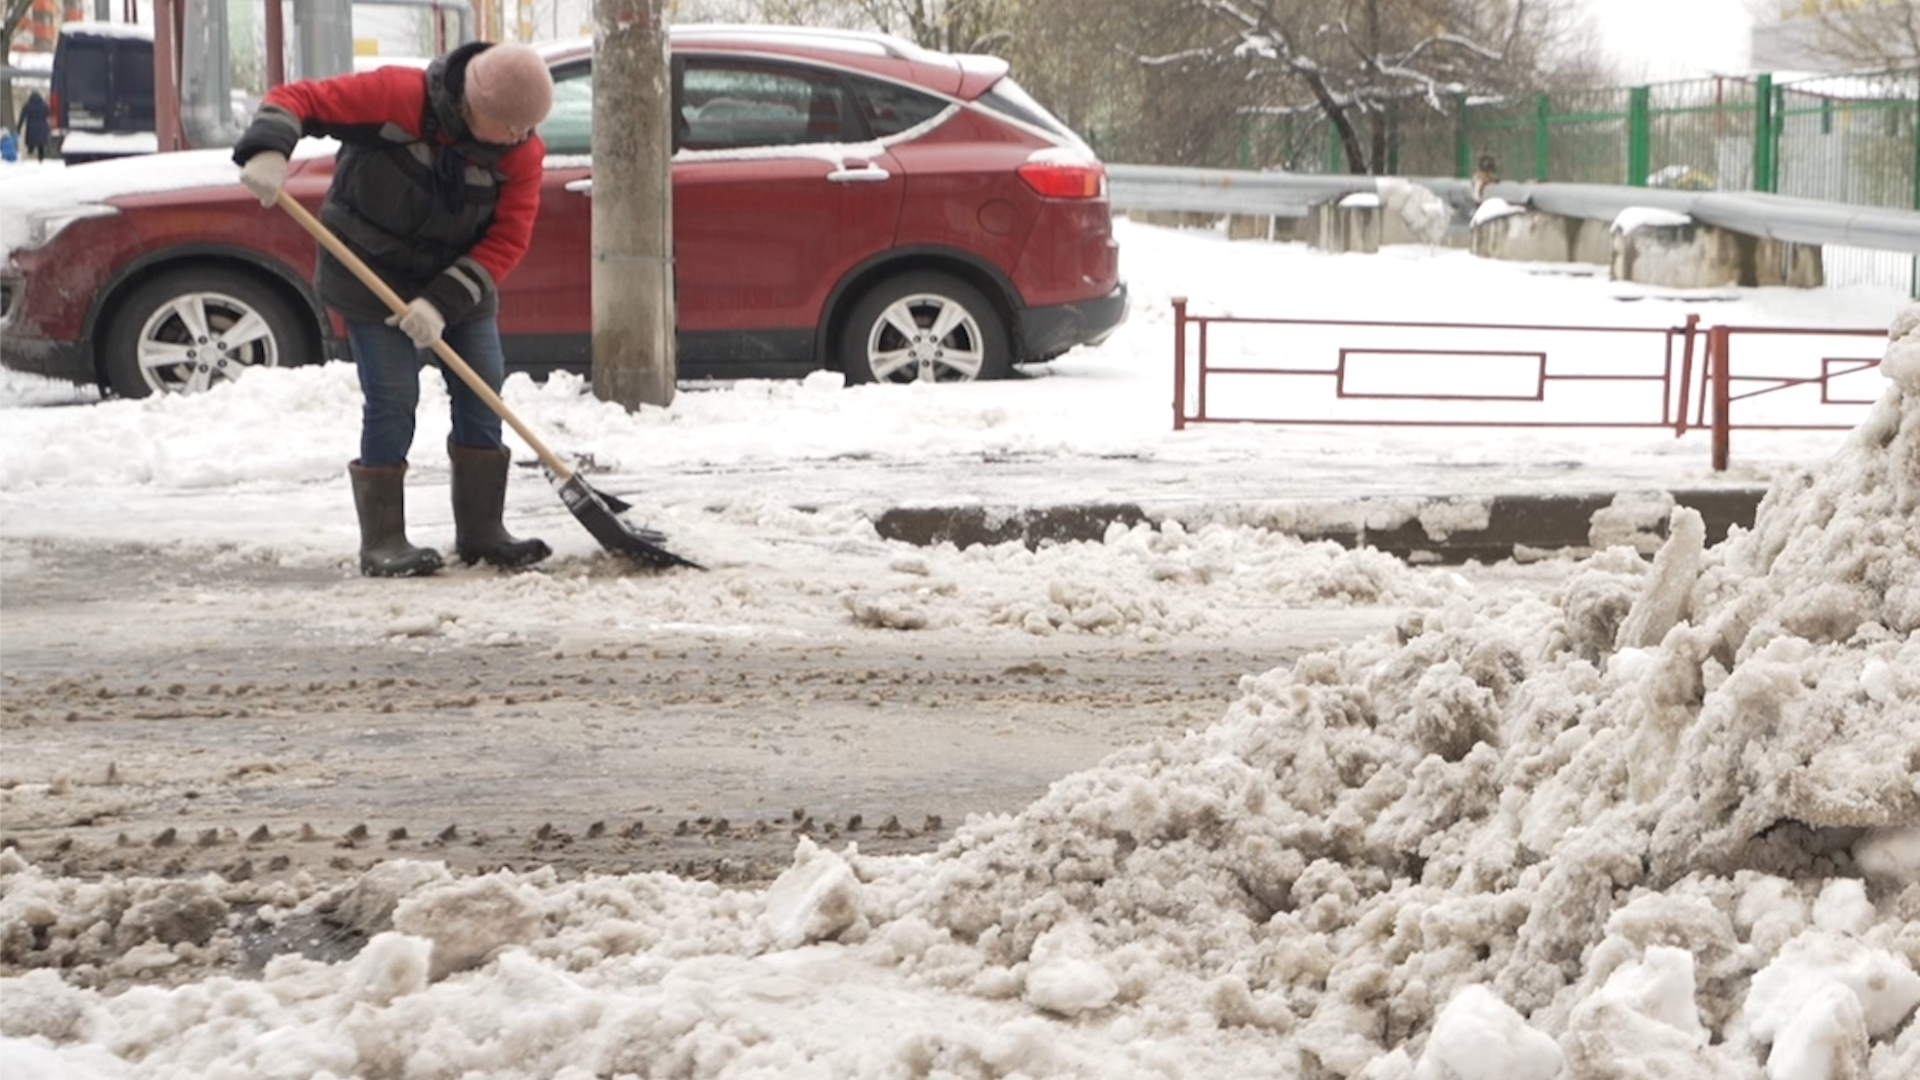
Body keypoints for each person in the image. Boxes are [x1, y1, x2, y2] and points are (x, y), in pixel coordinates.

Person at [230, 42, 555, 578]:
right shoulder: (397, 97)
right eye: (513, 126)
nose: (524, 138)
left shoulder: (521, 153)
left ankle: (482, 531)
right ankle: (383, 540)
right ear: (474, 108)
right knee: (393, 395)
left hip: (456, 281)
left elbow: (507, 240)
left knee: (483, 387)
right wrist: (269, 147)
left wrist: (439, 302)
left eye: (530, 128)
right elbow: (299, 99)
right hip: (367, 271)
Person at [17, 91, 50, 162]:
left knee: (30, 143)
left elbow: (22, 117)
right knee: (41, 145)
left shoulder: (27, 106)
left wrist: (18, 128)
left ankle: (30, 155)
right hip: (42, 129)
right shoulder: (44, 106)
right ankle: (41, 159)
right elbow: (49, 114)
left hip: (31, 129)